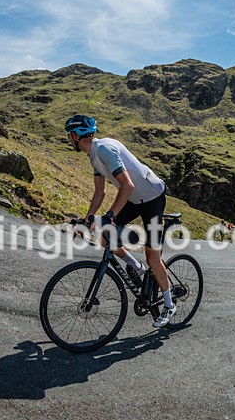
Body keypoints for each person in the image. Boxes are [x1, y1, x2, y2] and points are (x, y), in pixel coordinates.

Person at [65, 114, 175, 328]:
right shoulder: (93, 155)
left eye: (68, 135)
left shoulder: (104, 150)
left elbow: (128, 185)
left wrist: (110, 216)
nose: (67, 139)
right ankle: (136, 267)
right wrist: (87, 219)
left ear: (75, 135)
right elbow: (100, 191)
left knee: (153, 257)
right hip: (133, 200)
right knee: (104, 236)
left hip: (152, 198)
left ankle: (169, 306)